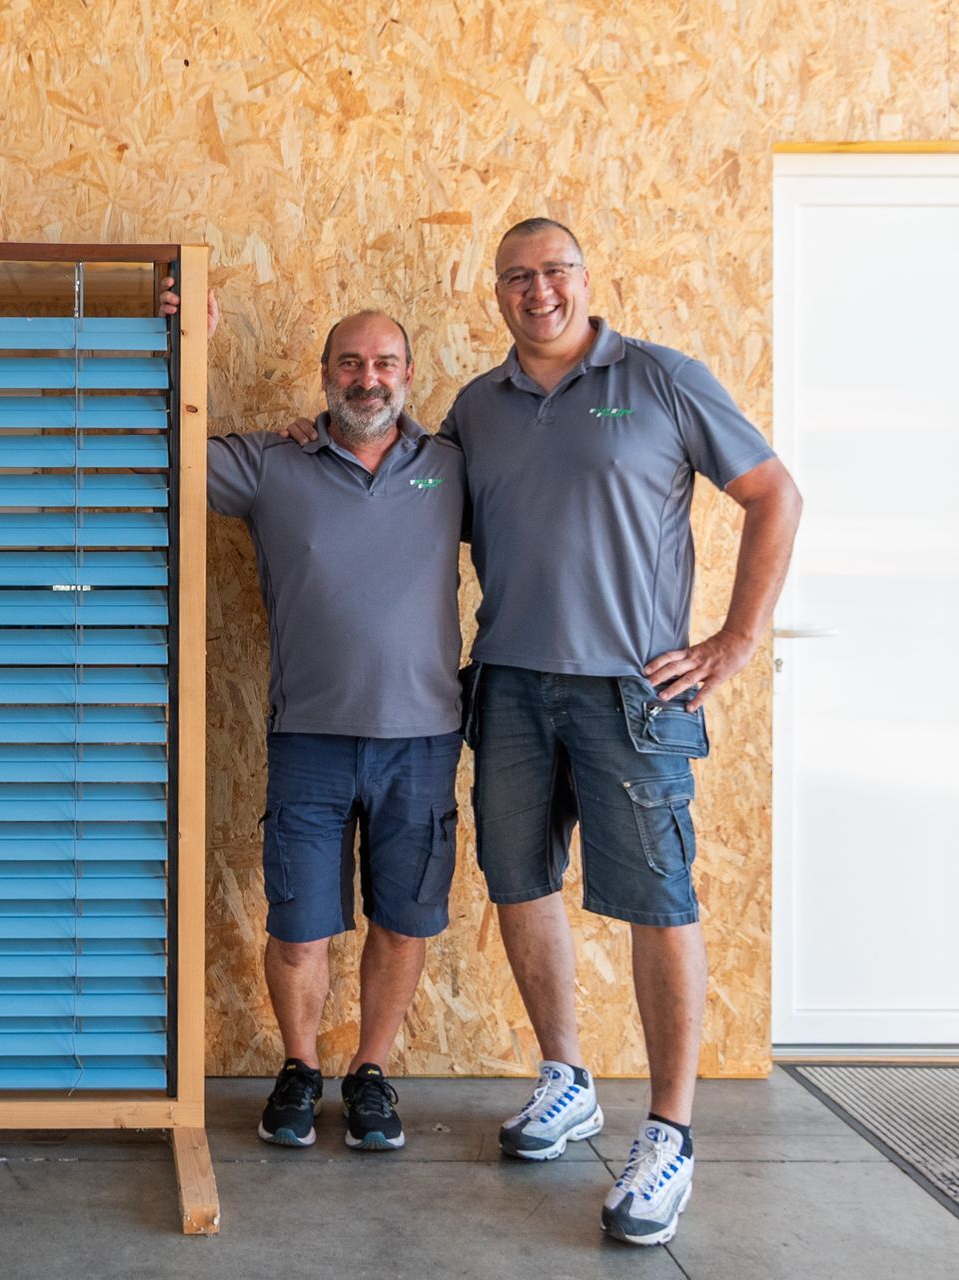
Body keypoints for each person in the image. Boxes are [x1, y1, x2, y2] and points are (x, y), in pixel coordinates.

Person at [282, 219, 802, 1245]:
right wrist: (314, 440)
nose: (538, 291)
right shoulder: (479, 406)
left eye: (554, 271)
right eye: (517, 277)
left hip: (632, 692)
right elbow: (403, 490)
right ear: (497, 294)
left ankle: (670, 1131)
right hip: (511, 686)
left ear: (586, 278)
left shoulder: (661, 378)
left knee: (659, 897)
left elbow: (773, 491)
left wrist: (737, 638)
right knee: (520, 883)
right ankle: (567, 1076)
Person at [164, 287, 467, 1153]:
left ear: (408, 376)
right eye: (350, 363)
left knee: (402, 920)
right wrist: (186, 340)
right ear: (324, 374)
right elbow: (163, 450)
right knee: (300, 924)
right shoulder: (270, 463)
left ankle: (370, 1073)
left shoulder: (452, 467)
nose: (367, 379)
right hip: (311, 741)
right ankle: (300, 1068)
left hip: (424, 739)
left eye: (383, 364)